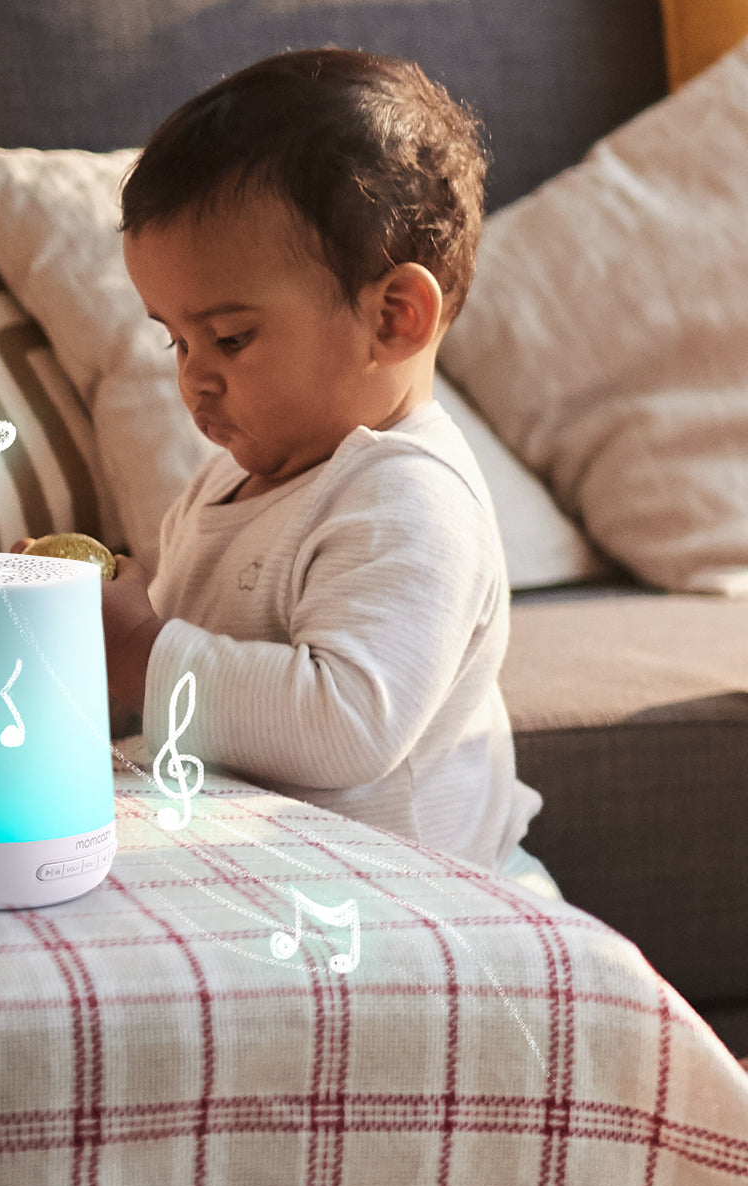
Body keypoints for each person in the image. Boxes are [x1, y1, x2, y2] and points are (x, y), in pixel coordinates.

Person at [94, 49, 540, 872]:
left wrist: (143, 654)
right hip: (276, 889)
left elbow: (346, 726)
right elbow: (205, 698)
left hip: (426, 912)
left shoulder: (408, 497)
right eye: (176, 339)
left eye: (230, 337)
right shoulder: (229, 484)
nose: (194, 374)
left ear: (394, 317)